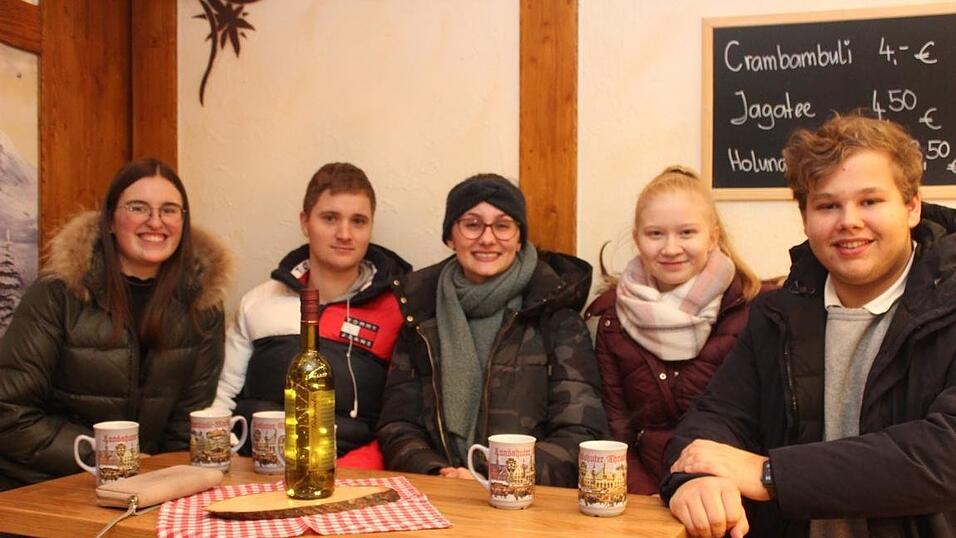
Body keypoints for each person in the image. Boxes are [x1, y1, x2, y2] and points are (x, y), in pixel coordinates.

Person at [662, 114, 956, 537]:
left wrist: (770, 475)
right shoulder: (774, 315)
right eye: (828, 205)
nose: (849, 221)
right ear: (804, 219)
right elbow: (713, 420)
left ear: (911, 207)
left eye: (870, 201)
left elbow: (944, 453)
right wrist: (697, 481)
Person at [0, 158, 231, 490]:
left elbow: (185, 426)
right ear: (109, 220)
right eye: (138, 208)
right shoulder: (58, 293)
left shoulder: (203, 305)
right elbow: (8, 411)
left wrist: (158, 479)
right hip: (45, 483)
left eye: (169, 210)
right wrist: (110, 459)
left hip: (145, 487)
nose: (155, 222)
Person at [377, 173, 608, 487]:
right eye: (472, 224)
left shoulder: (556, 318)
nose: (487, 239)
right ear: (450, 236)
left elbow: (582, 436)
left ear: (519, 237)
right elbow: (398, 426)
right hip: (440, 494)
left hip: (528, 504)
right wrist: (438, 473)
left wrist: (491, 472)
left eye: (502, 225)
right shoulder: (420, 315)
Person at [213, 162, 409, 468]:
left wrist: (351, 474)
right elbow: (221, 399)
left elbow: (402, 422)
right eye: (330, 218)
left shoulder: (399, 310)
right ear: (305, 222)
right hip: (252, 470)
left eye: (358, 221)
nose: (344, 234)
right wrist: (227, 462)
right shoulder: (259, 301)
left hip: (351, 478)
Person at [585, 165, 765, 495]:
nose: (670, 249)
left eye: (686, 233)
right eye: (655, 234)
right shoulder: (611, 315)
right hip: (641, 497)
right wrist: (650, 501)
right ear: (638, 238)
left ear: (712, 237)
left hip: (726, 495)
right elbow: (614, 427)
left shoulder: (754, 309)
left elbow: (759, 427)